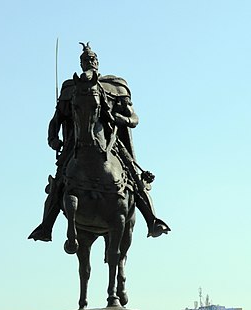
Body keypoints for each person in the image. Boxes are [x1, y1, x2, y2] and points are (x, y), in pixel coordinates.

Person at [28, 42, 170, 242]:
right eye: (86, 60)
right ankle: (46, 226)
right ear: (81, 63)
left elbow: (134, 119)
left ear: (98, 62)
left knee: (135, 178)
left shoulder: (116, 86)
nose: (90, 62)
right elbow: (56, 119)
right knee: (58, 181)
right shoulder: (70, 88)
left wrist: (122, 119)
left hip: (111, 142)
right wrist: (53, 139)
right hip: (75, 143)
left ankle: (152, 220)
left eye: (92, 59)